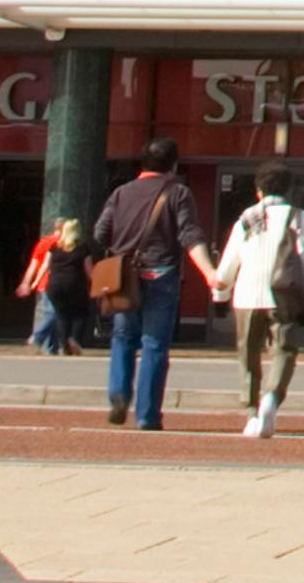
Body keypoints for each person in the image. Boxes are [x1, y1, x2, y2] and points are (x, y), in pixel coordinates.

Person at [90, 139, 220, 432]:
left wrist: (123, 246)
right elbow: (190, 235)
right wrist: (209, 272)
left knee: (122, 337)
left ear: (142, 163)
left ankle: (119, 395)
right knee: (155, 345)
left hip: (126, 277)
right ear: (173, 165)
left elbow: (100, 233)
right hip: (161, 276)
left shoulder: (121, 193)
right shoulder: (178, 193)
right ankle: (147, 415)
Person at [210, 178, 304, 437]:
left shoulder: (247, 216)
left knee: (248, 353)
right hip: (283, 294)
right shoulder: (296, 215)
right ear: (287, 189)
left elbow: (231, 256)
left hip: (247, 295)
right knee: (284, 349)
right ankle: (271, 398)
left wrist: (221, 291)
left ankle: (251, 412)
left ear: (259, 190)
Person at [19, 215, 92, 356]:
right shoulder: (82, 248)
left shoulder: (54, 246)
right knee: (79, 313)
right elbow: (89, 270)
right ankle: (72, 339)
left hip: (53, 285)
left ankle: (61, 345)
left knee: (60, 315)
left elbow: (44, 266)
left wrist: (33, 282)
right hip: (75, 284)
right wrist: (97, 284)